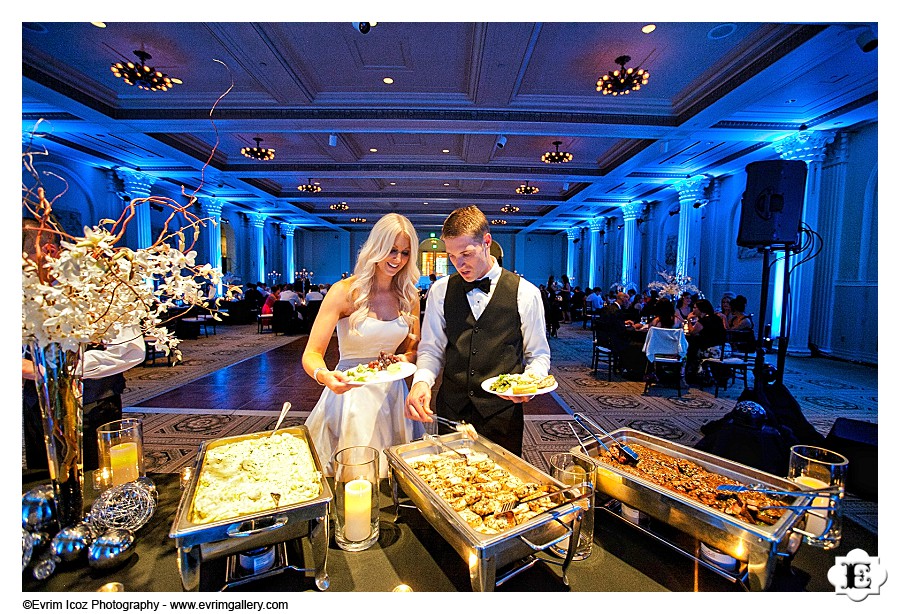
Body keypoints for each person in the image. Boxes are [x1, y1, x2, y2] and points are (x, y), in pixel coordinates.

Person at [405, 206, 551, 456]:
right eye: (451, 256)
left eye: (466, 254)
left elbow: (538, 355)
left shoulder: (526, 293)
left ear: (486, 242)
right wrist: (421, 382)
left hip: (501, 414)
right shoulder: (440, 291)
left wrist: (529, 384)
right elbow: (431, 349)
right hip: (452, 409)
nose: (458, 264)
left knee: (504, 486)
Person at [302, 213, 424, 477]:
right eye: (391, 250)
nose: (397, 260)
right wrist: (324, 376)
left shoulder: (409, 295)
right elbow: (311, 353)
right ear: (376, 246)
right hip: (350, 393)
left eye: (404, 253)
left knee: (396, 479)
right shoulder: (344, 291)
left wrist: (405, 359)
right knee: (352, 476)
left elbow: (413, 350)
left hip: (392, 394)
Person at [22, 218, 145, 472]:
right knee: (44, 477)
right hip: (36, 405)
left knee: (96, 486)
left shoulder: (100, 287)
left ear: (48, 252)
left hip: (91, 407)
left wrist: (51, 370)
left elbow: (130, 351)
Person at [685, 298, 727, 380]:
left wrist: (689, 320)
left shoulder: (704, 320)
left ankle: (690, 373)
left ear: (701, 309)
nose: (693, 310)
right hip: (723, 349)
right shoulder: (716, 318)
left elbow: (692, 332)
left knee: (691, 349)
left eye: (695, 307)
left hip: (712, 350)